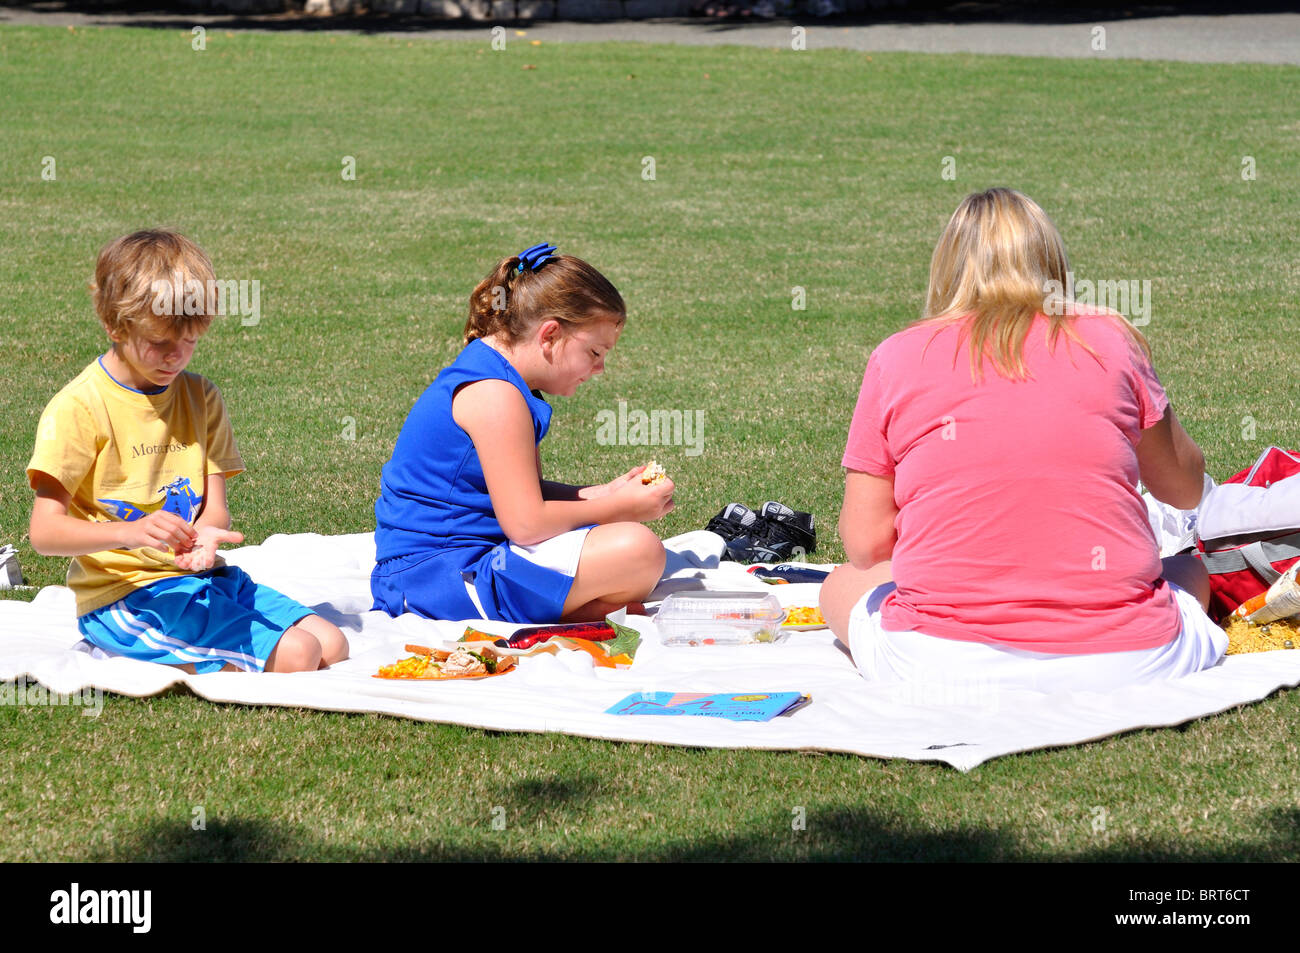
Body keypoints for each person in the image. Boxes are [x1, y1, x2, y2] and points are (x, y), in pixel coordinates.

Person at [819, 189, 1226, 694]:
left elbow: (864, 545)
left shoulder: (898, 356)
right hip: (1125, 656)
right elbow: (1184, 489)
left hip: (940, 660)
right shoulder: (1110, 338)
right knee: (1190, 569)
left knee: (839, 584)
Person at [27, 230, 348, 674]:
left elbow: (215, 511)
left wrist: (204, 538)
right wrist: (133, 533)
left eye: (191, 341)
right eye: (160, 342)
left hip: (198, 579)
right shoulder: (79, 407)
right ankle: (134, 650)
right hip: (126, 597)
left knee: (332, 643)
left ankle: (187, 645)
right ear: (115, 325)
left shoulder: (201, 397)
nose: (176, 357)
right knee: (301, 655)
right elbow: (45, 534)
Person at [371, 243, 673, 624]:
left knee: (631, 552)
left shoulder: (502, 377)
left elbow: (516, 492)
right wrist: (622, 508)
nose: (599, 369)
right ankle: (575, 611)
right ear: (549, 335)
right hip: (434, 581)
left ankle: (578, 608)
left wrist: (603, 493)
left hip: (437, 571)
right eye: (595, 352)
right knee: (637, 549)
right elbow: (527, 523)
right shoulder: (496, 395)